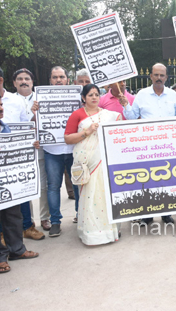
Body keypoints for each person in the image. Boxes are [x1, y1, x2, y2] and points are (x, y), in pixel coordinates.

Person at [122, 63, 176, 225]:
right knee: (147, 180)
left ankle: (166, 214)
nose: (159, 78)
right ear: (151, 77)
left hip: (169, 145)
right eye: (156, 75)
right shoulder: (142, 94)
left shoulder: (173, 95)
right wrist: (126, 104)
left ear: (166, 77)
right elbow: (132, 118)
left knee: (166, 179)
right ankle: (147, 215)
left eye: (162, 75)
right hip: (147, 146)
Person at [64, 84, 121, 245]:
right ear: (83, 98)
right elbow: (67, 138)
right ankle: (91, 233)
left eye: (96, 94)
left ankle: (109, 231)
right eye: (90, 95)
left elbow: (119, 127)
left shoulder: (108, 115)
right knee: (89, 196)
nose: (94, 97)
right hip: (87, 161)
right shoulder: (77, 115)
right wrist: (86, 132)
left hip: (103, 160)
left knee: (103, 195)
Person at [0, 92, 39, 273]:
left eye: (1, 105)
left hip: (10, 183)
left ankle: (17, 250)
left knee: (14, 216)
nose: (1, 108)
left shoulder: (6, 129)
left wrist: (31, 146)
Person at [42, 66, 80, 237]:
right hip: (52, 150)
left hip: (74, 148)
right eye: (55, 77)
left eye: (61, 77)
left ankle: (81, 215)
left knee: (79, 184)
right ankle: (55, 221)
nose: (58, 80)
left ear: (67, 79)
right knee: (53, 187)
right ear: (50, 80)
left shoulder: (77, 98)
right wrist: (36, 111)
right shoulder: (41, 99)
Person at [11, 68, 50, 237]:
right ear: (14, 83)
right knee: (23, 187)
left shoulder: (42, 97)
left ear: (32, 82)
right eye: (20, 79)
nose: (23, 81)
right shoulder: (8, 101)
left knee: (43, 186)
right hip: (18, 152)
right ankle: (28, 223)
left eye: (27, 78)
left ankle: (44, 218)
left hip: (40, 147)